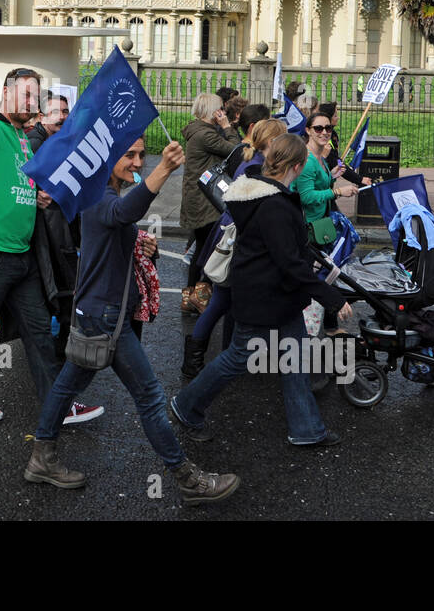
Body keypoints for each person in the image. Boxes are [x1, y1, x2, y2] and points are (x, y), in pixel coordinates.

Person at [25, 136, 241, 506]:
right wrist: (165, 168)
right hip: (106, 317)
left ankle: (41, 459)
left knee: (65, 387)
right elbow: (119, 214)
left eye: (143, 155)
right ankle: (187, 479)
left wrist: (137, 242)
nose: (139, 162)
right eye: (130, 155)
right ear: (107, 159)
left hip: (99, 311)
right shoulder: (96, 195)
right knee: (150, 396)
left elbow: (116, 227)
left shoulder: (104, 192)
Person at [0, 27, 103, 425]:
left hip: (20, 256)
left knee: (39, 334)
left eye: (36, 95)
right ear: (5, 95)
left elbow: (18, 184)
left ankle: (57, 402)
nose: (33, 101)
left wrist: (37, 196)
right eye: (26, 94)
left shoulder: (23, 140)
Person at [171, 133, 352, 446]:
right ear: (296, 166)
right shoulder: (275, 205)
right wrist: (332, 298)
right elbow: (289, 262)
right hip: (264, 296)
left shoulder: (256, 194)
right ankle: (186, 406)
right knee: (238, 357)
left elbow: (286, 249)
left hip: (274, 295)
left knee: (293, 357)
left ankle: (307, 429)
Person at [182, 117, 286, 377]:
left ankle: (215, 357)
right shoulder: (256, 167)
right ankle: (198, 361)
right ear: (271, 142)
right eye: (282, 140)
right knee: (221, 300)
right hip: (235, 239)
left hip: (229, 234)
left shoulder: (251, 160)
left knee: (226, 300)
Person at [28, 89, 81, 361]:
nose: (63, 117)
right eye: (56, 112)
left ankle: (56, 347)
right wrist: (35, 193)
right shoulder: (35, 143)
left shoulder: (57, 140)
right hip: (45, 236)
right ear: (40, 117)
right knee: (54, 290)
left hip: (59, 233)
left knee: (58, 291)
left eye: (65, 111)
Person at [294, 111, 358, 335]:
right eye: (318, 128)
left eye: (328, 128)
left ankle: (325, 327)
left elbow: (318, 186)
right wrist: (338, 190)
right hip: (309, 230)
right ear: (308, 131)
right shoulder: (308, 160)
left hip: (321, 226)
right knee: (318, 278)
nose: (324, 132)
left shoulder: (319, 157)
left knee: (327, 275)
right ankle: (305, 332)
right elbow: (307, 197)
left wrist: (331, 175)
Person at [180, 92, 239, 314]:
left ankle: (189, 296)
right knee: (211, 248)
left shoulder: (199, 130)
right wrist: (227, 126)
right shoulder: (206, 135)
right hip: (204, 200)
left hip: (196, 198)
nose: (222, 112)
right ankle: (201, 296)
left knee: (202, 247)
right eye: (220, 109)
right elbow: (235, 149)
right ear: (214, 111)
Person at [317, 103, 373, 187]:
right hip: (320, 184)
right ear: (327, 119)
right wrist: (359, 179)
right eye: (335, 116)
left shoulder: (333, 134)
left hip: (328, 179)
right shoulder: (323, 139)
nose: (338, 118)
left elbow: (337, 161)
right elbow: (336, 162)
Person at [223, 103, 271, 179]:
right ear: (253, 126)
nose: (270, 128)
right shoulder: (253, 154)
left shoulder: (237, 148)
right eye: (267, 124)